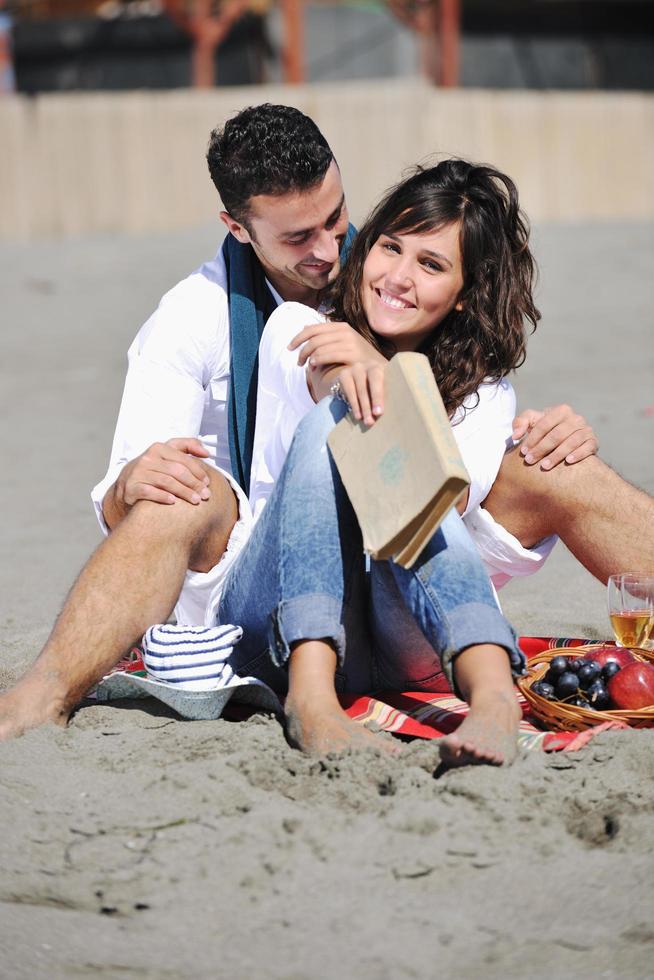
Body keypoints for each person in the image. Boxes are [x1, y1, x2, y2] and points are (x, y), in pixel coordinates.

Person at [0, 107, 645, 744]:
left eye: (337, 219)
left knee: (554, 461)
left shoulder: (395, 286)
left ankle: (484, 690)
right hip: (264, 583)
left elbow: (453, 490)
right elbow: (133, 491)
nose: (331, 250)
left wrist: (531, 434)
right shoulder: (201, 318)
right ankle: (48, 692)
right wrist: (133, 479)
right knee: (198, 479)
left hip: (405, 602)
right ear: (239, 228)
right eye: (298, 237)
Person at [214, 159, 653, 765]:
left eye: (431, 264)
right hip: (274, 621)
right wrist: (364, 371)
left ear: (465, 295)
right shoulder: (302, 323)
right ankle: (310, 700)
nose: (396, 276)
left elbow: (444, 503)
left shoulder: (485, 396)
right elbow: (333, 382)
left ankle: (494, 700)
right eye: (390, 247)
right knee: (338, 422)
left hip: (401, 642)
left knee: (410, 466)